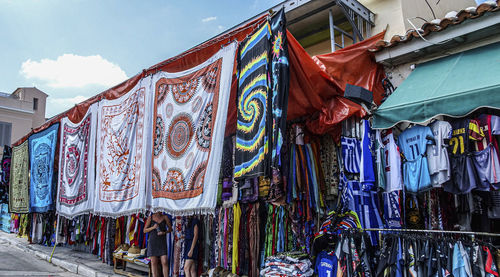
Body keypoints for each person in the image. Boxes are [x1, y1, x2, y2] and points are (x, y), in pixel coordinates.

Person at [144, 211, 172, 277]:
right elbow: (144, 230)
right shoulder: (150, 217)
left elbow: (170, 229)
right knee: (154, 262)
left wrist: (164, 232)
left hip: (162, 242)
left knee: (164, 261)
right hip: (152, 242)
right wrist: (153, 227)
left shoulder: (165, 217)